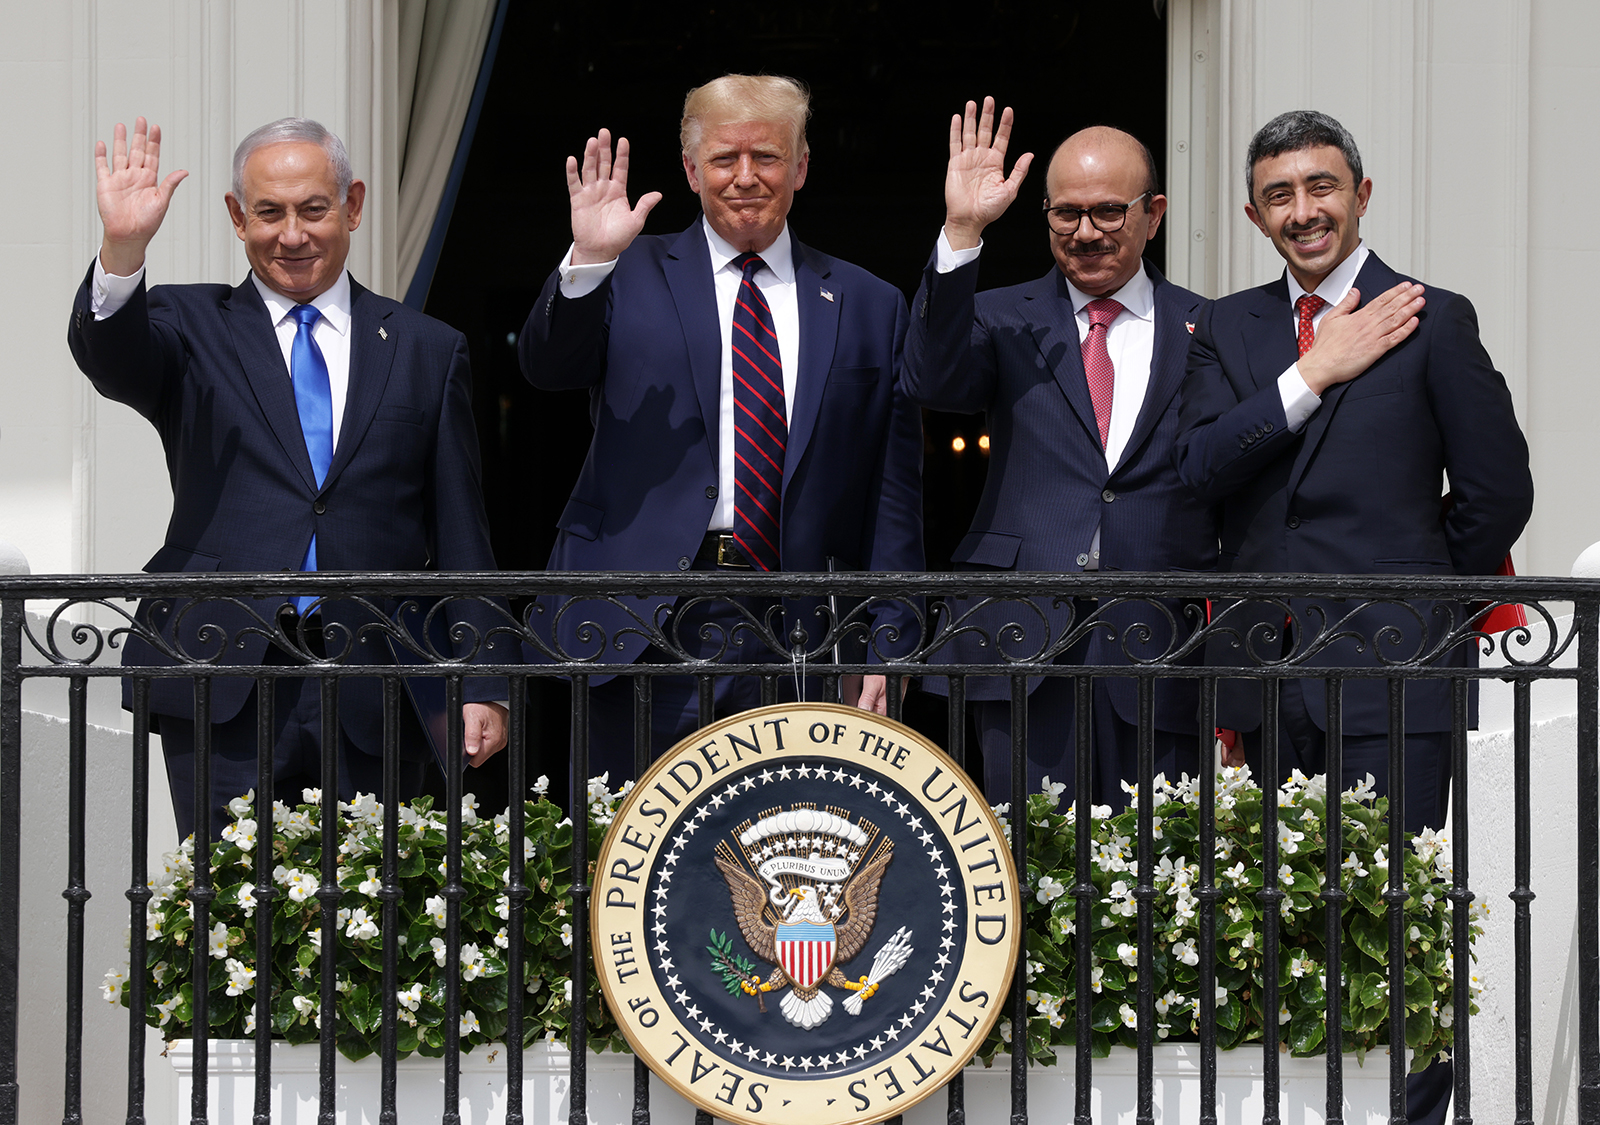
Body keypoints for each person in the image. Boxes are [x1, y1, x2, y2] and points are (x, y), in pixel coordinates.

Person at [1176, 109, 1533, 1125]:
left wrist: (1411, 603)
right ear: (1254, 213)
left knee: (1394, 918)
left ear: (1360, 194)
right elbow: (1197, 470)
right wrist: (1311, 372)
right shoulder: (1230, 328)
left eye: (1321, 187)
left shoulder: (1433, 316)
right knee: (1275, 919)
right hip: (1260, 673)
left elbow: (1497, 493)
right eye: (1280, 195)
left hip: (1396, 671)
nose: (1304, 212)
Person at [69, 117, 508, 840]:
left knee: (375, 919)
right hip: (223, 673)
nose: (292, 234)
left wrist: (485, 678)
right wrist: (124, 249)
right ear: (238, 218)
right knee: (226, 910)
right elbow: (111, 356)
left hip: (377, 679)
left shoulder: (429, 349)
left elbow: (462, 527)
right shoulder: (187, 323)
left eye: (312, 208)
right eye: (269, 212)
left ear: (353, 206)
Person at [518, 74, 923, 783]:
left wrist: (889, 641)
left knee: (789, 860)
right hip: (644, 624)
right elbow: (548, 368)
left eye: (766, 157)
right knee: (632, 863)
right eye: (723, 159)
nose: (745, 178)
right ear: (689, 169)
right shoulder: (623, 268)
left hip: (802, 630)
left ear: (800, 166)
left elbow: (891, 491)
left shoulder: (868, 302)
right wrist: (586, 262)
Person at [900, 101, 1214, 804]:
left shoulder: (1209, 326)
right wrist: (963, 230)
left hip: (1161, 639)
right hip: (1020, 636)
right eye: (1065, 213)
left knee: (1158, 874)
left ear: (1154, 212)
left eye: (1108, 211)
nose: (1085, 232)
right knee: (1029, 863)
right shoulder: (1001, 314)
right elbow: (929, 379)